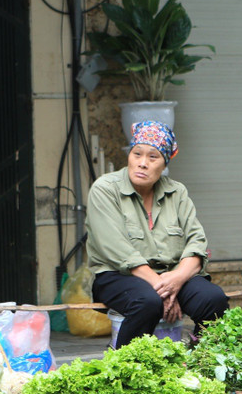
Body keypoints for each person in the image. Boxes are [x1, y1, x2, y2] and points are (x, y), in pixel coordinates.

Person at [85, 120, 229, 347]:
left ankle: (202, 360)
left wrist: (178, 278)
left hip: (172, 275)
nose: (142, 163)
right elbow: (114, 247)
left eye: (153, 157)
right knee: (147, 301)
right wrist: (163, 289)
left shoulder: (177, 192)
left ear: (164, 165)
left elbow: (196, 241)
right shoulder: (105, 189)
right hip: (118, 276)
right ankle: (124, 366)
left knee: (212, 299)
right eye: (137, 154)